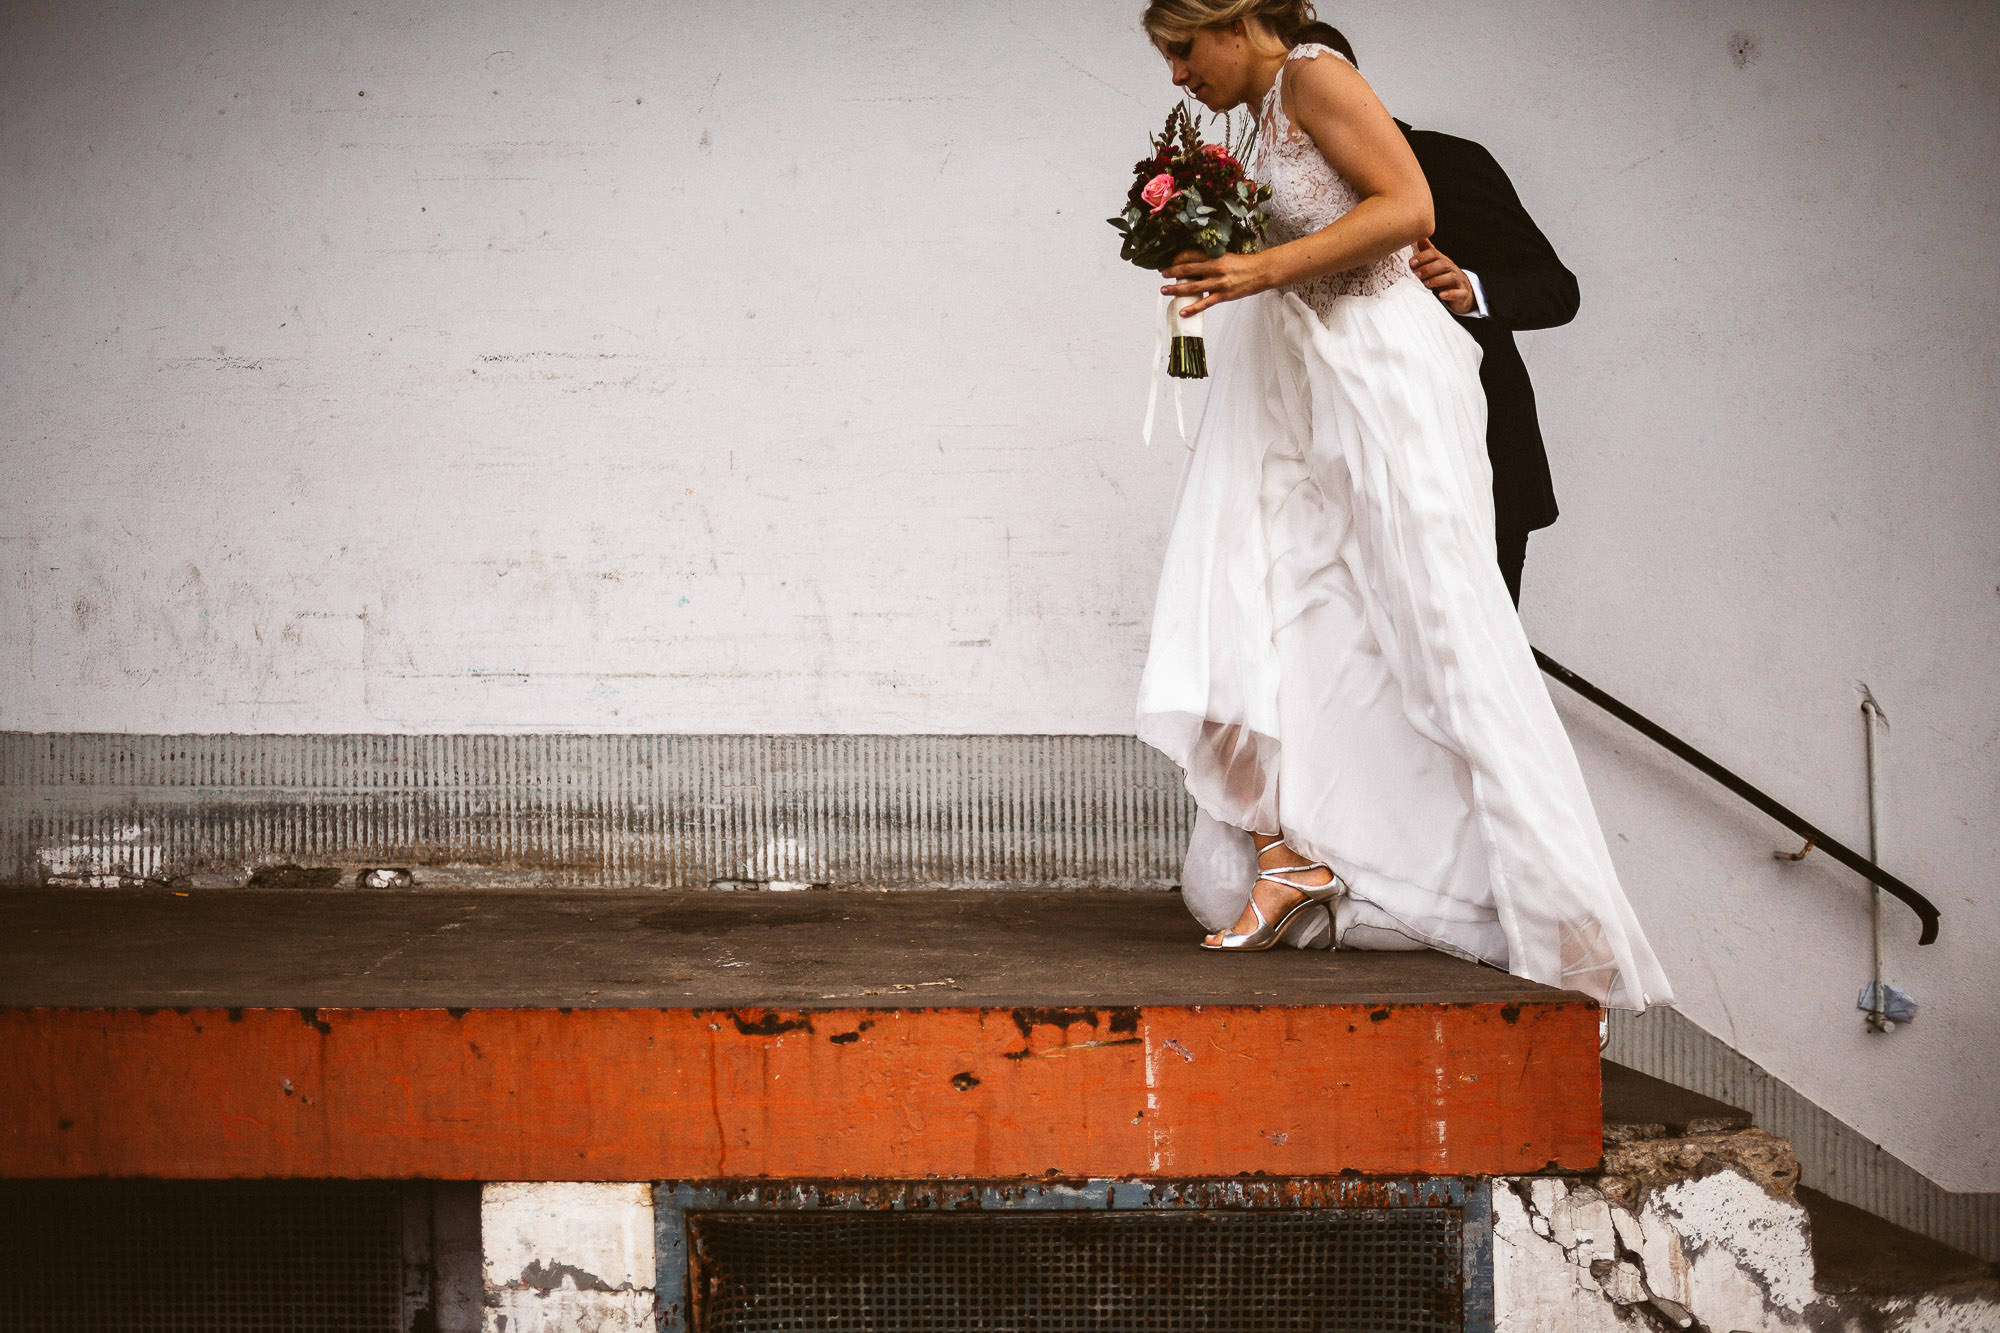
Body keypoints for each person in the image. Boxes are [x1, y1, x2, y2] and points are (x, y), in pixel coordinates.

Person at [1135, 0, 1671, 1011]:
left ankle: (1574, 939)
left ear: (1234, 19)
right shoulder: (1257, 120)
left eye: (1179, 48)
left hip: (1383, 382)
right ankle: (1293, 854)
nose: (1174, 75)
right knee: (1270, 601)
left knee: (1447, 642)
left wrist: (1258, 266)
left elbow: (1408, 208)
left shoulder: (1311, 74)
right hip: (1310, 381)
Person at [1304, 26, 1578, 605]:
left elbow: (1557, 289)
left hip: (1475, 450)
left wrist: (1472, 289)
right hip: (1347, 463)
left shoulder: (1449, 161)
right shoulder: (1283, 188)